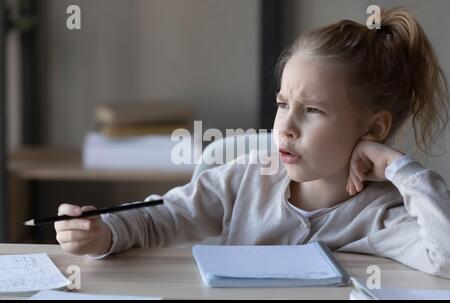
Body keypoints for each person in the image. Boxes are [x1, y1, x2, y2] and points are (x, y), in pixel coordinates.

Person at [55, 7, 450, 278]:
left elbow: (444, 258)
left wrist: (399, 167)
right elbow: (165, 216)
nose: (286, 127)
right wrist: (102, 232)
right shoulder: (246, 177)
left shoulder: (381, 213)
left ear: (375, 128)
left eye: (312, 110)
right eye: (282, 104)